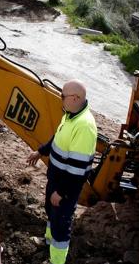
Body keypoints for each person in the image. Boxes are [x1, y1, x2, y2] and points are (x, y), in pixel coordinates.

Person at [26, 79, 97, 264]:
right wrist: (41, 151)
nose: (61, 99)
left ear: (75, 98)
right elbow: (57, 138)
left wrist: (61, 192)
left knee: (60, 225)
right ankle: (48, 242)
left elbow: (78, 170)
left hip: (66, 189)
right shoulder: (70, 116)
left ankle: (56, 261)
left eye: (63, 96)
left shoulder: (84, 127)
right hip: (55, 181)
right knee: (50, 213)